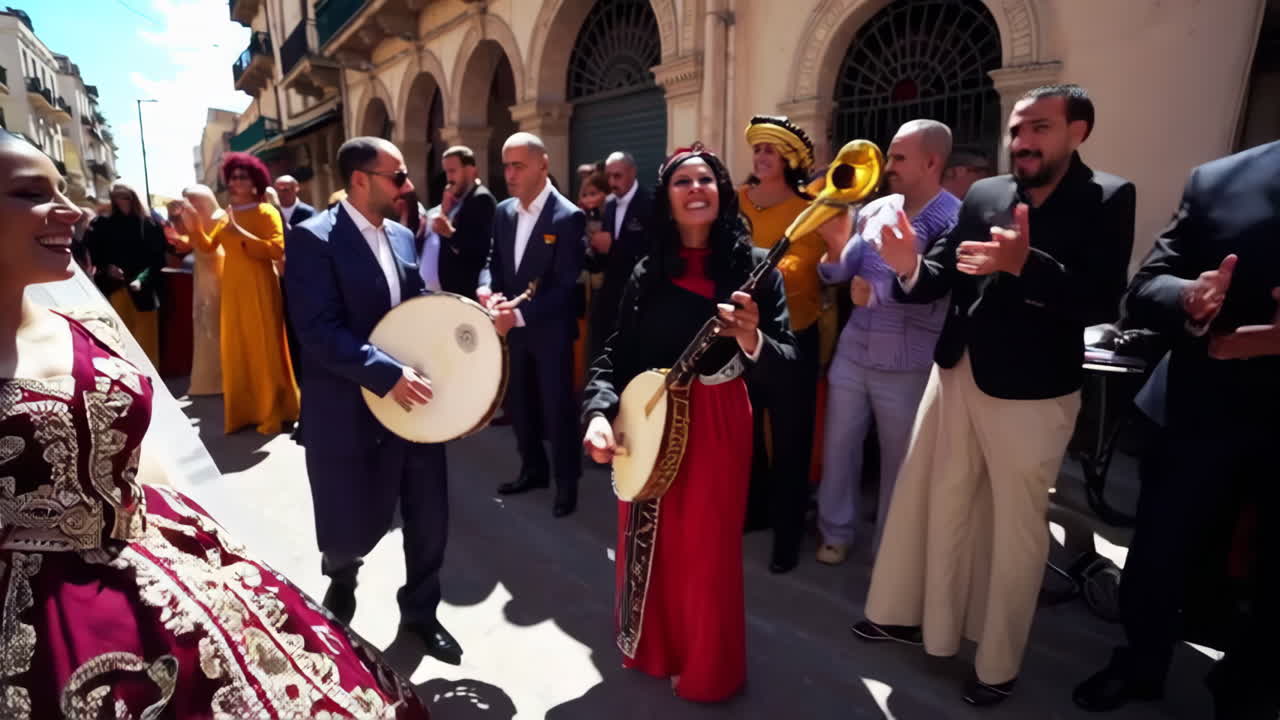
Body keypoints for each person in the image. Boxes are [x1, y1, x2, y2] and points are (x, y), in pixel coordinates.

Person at [0, 128, 430, 719]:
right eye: (31, 192)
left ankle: (420, 608)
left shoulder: (87, 326)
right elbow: (310, 318)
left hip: (161, 554)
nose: (72, 211)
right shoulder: (312, 236)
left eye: (62, 189)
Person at [851, 84, 1136, 706]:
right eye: (1016, 130)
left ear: (1077, 131)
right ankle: (910, 618)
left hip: (1034, 392)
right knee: (936, 503)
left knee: (1015, 531)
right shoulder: (983, 194)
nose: (1022, 141)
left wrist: (1024, 265)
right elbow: (941, 275)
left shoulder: (1108, 197)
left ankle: (996, 666)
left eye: (1039, 128)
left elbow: (1100, 300)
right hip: (955, 373)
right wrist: (905, 264)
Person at [581, 143, 796, 702]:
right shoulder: (647, 271)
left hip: (718, 422)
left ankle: (706, 667)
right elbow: (614, 354)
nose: (695, 189)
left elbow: (789, 363)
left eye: (706, 180)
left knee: (704, 551)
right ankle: (656, 648)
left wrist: (750, 336)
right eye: (683, 182)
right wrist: (600, 414)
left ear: (722, 193)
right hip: (646, 417)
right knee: (646, 539)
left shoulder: (756, 267)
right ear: (668, 199)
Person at [1073, 140, 1280, 719]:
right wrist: (1189, 296)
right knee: (1160, 550)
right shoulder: (1220, 180)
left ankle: (1248, 684)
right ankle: (1141, 664)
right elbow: (1147, 286)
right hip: (1202, 406)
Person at [285, 136, 477, 666]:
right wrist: (386, 373)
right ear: (361, 180)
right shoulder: (311, 239)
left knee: (428, 514)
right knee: (348, 518)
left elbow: (412, 313)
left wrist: (469, 331)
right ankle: (342, 581)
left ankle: (420, 613)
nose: (410, 186)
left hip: (411, 407)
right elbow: (317, 331)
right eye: (399, 176)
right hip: (346, 407)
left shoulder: (403, 235)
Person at [815, 119, 961, 564]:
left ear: (931, 161)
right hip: (854, 351)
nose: (888, 164)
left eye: (899, 157)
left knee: (900, 461)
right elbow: (842, 271)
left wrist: (875, 291)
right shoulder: (877, 208)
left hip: (907, 363)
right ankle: (835, 530)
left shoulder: (955, 217)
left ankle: (892, 550)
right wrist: (837, 251)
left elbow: (939, 290)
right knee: (838, 447)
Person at [478, 132, 586, 517]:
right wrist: (486, 288)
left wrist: (518, 315)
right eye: (506, 165)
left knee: (557, 409)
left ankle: (567, 483)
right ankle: (533, 469)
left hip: (549, 331)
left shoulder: (568, 216)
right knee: (520, 403)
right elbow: (494, 260)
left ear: (543, 165)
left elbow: (564, 285)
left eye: (518, 166)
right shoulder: (504, 212)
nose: (509, 174)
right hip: (512, 331)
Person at [738, 115, 827, 573]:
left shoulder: (813, 207)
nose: (761, 157)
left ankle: (788, 536)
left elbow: (802, 264)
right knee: (746, 431)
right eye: (758, 150)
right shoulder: (737, 201)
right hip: (741, 335)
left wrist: (755, 270)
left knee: (792, 439)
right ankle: (755, 512)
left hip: (794, 336)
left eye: (771, 150)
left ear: (790, 159)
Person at [178, 152, 299, 435]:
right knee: (237, 348)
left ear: (255, 181)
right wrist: (193, 225)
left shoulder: (266, 211)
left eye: (242, 177)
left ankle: (272, 411)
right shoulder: (228, 213)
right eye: (232, 177)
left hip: (260, 286)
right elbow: (208, 247)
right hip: (232, 289)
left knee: (263, 347)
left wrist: (241, 232)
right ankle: (244, 412)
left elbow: (276, 250)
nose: (235, 182)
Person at [83, 180, 166, 366]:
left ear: (133, 198)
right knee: (121, 341)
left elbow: (157, 260)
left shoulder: (149, 224)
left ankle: (153, 384)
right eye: (117, 197)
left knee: (146, 342)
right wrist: (107, 267)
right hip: (115, 288)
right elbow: (95, 252)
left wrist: (141, 279)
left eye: (125, 197)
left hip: (144, 291)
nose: (121, 201)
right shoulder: (104, 224)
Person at [587, 151, 654, 357]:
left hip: (638, 292)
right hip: (611, 290)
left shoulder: (649, 202)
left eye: (618, 176)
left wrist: (614, 246)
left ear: (632, 172)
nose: (612, 181)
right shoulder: (610, 205)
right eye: (609, 176)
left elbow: (650, 249)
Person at [178, 184, 226, 397]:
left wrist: (195, 228)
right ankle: (209, 380)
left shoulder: (220, 218)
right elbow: (197, 247)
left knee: (217, 328)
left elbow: (210, 249)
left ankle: (224, 379)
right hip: (203, 280)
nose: (189, 207)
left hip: (221, 281)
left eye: (193, 202)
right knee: (205, 328)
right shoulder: (194, 220)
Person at [429, 146, 496, 299]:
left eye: (453, 171)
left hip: (469, 293)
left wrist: (450, 234)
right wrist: (445, 210)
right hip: (452, 293)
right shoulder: (457, 200)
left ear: (471, 170)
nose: (449, 178)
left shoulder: (481, 199)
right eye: (446, 172)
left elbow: (479, 250)